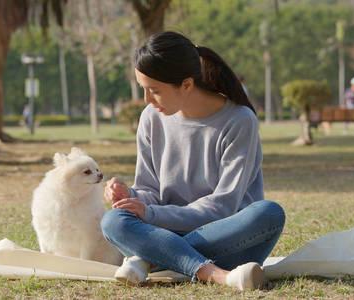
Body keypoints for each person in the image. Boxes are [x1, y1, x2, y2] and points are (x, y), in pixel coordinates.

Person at [101, 32, 285, 291]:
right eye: (144, 89)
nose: (146, 100)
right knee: (113, 221)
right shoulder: (151, 118)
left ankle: (151, 259)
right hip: (177, 237)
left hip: (226, 240)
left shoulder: (239, 121)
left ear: (186, 84)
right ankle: (218, 275)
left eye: (154, 91)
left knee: (269, 213)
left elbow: (223, 207)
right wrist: (130, 196)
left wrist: (150, 215)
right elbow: (150, 191)